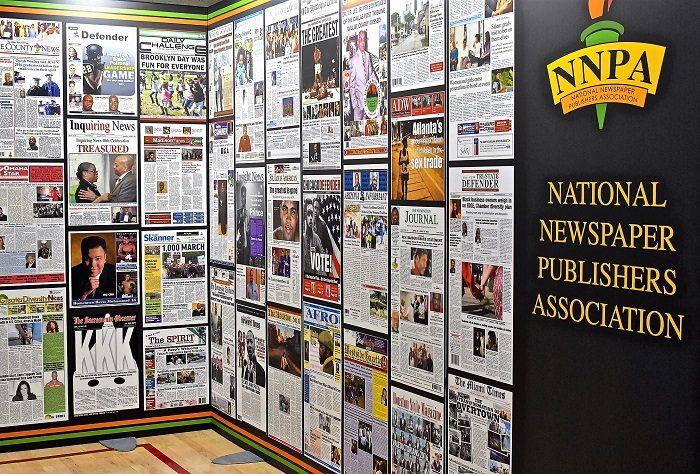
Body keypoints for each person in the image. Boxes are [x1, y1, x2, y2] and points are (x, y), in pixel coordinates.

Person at [71, 235, 116, 300]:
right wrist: (84, 293)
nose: (93, 264)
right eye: (88, 259)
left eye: (98, 258)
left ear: (105, 258)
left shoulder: (116, 274)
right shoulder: (72, 274)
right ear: (82, 258)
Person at [348, 30, 378, 120]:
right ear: (357, 42)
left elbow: (371, 73)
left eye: (364, 40)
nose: (363, 42)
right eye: (361, 39)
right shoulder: (353, 60)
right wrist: (354, 104)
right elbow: (351, 84)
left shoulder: (368, 56)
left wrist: (378, 84)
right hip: (359, 104)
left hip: (369, 101)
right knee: (358, 130)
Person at [302, 199, 324, 273]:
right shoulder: (301, 238)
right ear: (305, 215)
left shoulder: (317, 239)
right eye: (308, 214)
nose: (311, 217)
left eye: (312, 214)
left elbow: (323, 257)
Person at [236, 185, 250, 265]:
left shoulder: (249, 213)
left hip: (247, 248)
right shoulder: (238, 213)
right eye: (243, 196)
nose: (244, 199)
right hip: (240, 248)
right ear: (241, 197)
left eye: (245, 196)